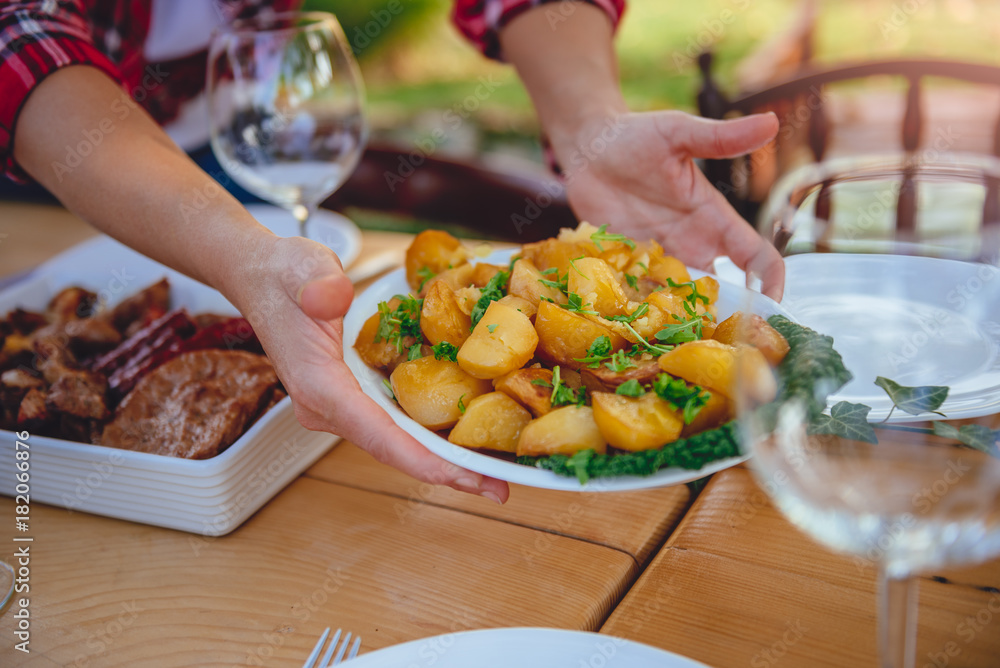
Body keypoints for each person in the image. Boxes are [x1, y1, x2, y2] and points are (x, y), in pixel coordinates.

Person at [0, 0, 782, 504]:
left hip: (247, 117)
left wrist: (588, 121)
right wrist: (245, 258)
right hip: (65, 158)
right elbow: (17, 34)